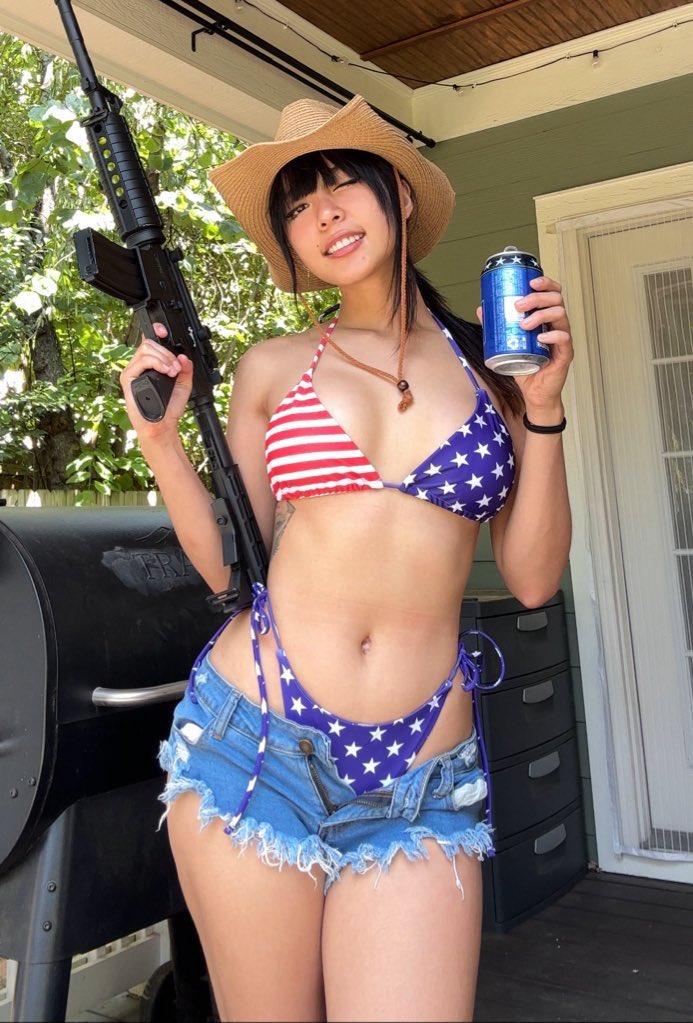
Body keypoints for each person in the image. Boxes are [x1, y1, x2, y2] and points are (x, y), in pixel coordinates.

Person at [120, 95, 573, 1022]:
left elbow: (531, 578)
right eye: (297, 206)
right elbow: (227, 569)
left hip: (422, 773)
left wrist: (545, 407)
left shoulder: (492, 369)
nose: (323, 214)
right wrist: (162, 445)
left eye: (341, 186)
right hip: (256, 740)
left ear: (399, 194)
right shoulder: (271, 366)